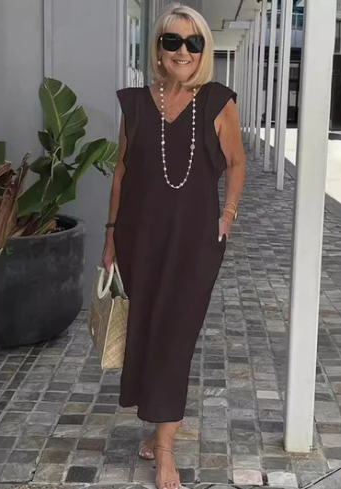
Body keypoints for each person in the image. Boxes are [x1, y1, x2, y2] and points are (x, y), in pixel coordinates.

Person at [102, 3, 245, 489]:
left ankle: (164, 449)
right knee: (146, 332)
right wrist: (110, 234)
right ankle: (157, 427)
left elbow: (237, 162)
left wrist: (228, 215)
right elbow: (122, 171)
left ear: (203, 50)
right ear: (159, 49)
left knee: (176, 337)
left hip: (194, 245)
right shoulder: (136, 104)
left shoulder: (219, 101)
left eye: (193, 42)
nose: (183, 51)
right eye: (172, 41)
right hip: (138, 239)